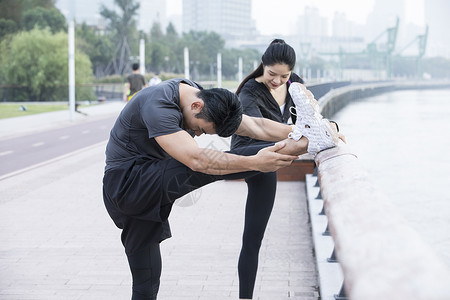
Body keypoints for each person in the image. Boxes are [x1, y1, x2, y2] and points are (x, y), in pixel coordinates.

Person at [102, 78, 343, 299]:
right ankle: (307, 143)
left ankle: (309, 135)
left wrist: (295, 130)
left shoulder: (201, 97)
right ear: (196, 107)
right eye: (201, 130)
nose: (196, 133)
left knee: (146, 282)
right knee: (201, 166)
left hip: (149, 188)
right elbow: (197, 160)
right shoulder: (159, 106)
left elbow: (256, 126)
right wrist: (255, 162)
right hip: (128, 185)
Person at [231, 38, 334, 299]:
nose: (277, 81)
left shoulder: (293, 83)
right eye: (271, 74)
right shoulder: (249, 92)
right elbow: (259, 127)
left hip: (276, 150)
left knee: (255, 236)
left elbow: (305, 118)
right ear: (262, 65)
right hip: (250, 150)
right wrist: (311, 133)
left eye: (283, 75)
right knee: (251, 240)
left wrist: (322, 127)